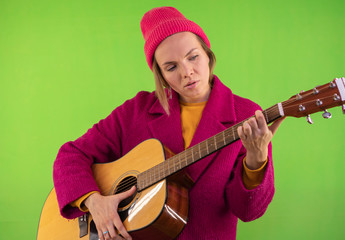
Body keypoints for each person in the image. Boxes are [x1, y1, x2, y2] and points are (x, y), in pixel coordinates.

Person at [53, 6, 284, 240]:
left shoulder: (246, 115)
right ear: (160, 75)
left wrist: (257, 159)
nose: (187, 72)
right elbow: (70, 156)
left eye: (193, 57)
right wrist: (94, 202)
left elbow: (248, 211)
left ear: (208, 54)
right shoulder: (136, 110)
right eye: (171, 67)